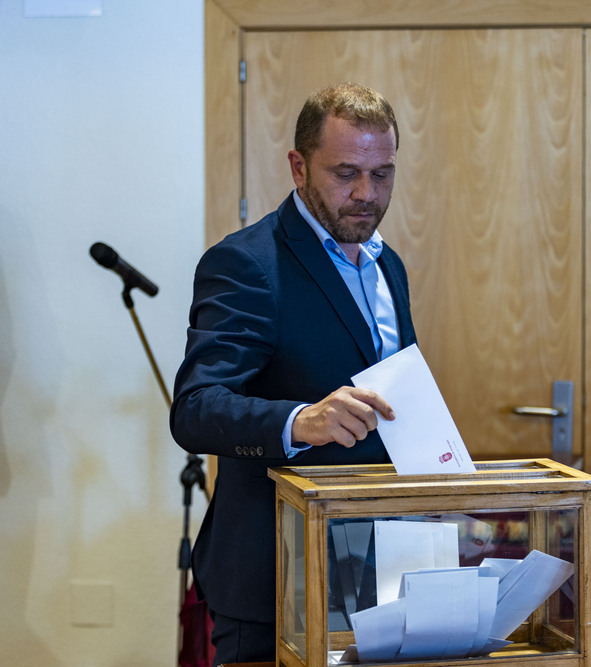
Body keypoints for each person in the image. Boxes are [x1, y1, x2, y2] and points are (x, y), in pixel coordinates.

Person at [170, 82, 418, 664]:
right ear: (298, 166)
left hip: (372, 575)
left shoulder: (390, 266)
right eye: (346, 173)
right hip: (272, 576)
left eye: (382, 174)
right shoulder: (247, 264)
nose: (367, 194)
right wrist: (302, 420)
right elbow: (196, 407)